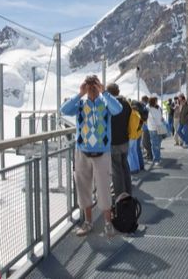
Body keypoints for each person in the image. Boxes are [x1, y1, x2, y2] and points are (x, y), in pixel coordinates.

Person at [60, 74, 123, 237]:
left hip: (102, 152)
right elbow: (64, 110)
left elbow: (118, 109)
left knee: (103, 187)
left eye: (94, 85)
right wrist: (80, 93)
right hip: (82, 151)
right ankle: (88, 222)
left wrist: (104, 92)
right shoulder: (80, 104)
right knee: (83, 187)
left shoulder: (105, 102)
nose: (92, 88)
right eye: (90, 85)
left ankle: (108, 223)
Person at [107, 83, 133, 197]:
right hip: (125, 140)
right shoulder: (126, 104)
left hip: (114, 142)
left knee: (116, 169)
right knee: (125, 166)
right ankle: (128, 191)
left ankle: (120, 195)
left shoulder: (109, 105)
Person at [146, 96, 166, 165]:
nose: (157, 102)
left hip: (155, 127)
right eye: (156, 101)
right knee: (156, 144)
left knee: (156, 144)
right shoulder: (151, 109)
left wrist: (161, 119)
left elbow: (158, 117)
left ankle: (157, 159)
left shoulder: (154, 108)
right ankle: (157, 158)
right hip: (155, 128)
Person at [127, 100, 145, 173]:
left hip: (130, 135)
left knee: (129, 152)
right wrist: (138, 134)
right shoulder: (138, 115)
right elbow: (140, 126)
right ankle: (137, 167)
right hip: (136, 136)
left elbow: (129, 125)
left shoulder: (131, 115)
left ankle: (132, 168)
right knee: (134, 152)